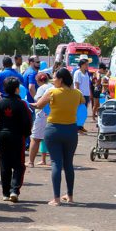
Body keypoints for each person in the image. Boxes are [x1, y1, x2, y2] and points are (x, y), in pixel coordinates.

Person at [33, 67, 82, 205]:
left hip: (53, 130)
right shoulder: (77, 93)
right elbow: (82, 106)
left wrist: (28, 103)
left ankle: (56, 199)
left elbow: (38, 105)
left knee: (56, 163)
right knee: (68, 164)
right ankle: (70, 196)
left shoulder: (52, 92)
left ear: (60, 79)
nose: (53, 80)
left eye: (54, 78)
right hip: (71, 131)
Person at [0, 77, 33, 203]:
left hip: (2, 136)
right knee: (19, 165)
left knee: (4, 164)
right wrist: (25, 134)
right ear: (17, 89)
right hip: (17, 136)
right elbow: (28, 122)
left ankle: (5, 193)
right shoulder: (22, 104)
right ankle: (14, 190)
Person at [29, 72, 52, 167]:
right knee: (50, 139)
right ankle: (51, 160)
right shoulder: (52, 86)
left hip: (42, 114)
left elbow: (39, 102)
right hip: (52, 114)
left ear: (39, 81)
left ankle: (31, 162)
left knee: (35, 138)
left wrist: (28, 104)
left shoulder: (41, 88)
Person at [73, 58, 93, 133]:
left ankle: (81, 126)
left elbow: (88, 84)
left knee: (83, 111)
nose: (87, 66)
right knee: (79, 111)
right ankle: (77, 127)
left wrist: (90, 93)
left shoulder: (87, 73)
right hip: (80, 95)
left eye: (88, 64)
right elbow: (76, 85)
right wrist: (79, 95)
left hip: (86, 94)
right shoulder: (77, 73)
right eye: (86, 64)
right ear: (81, 65)